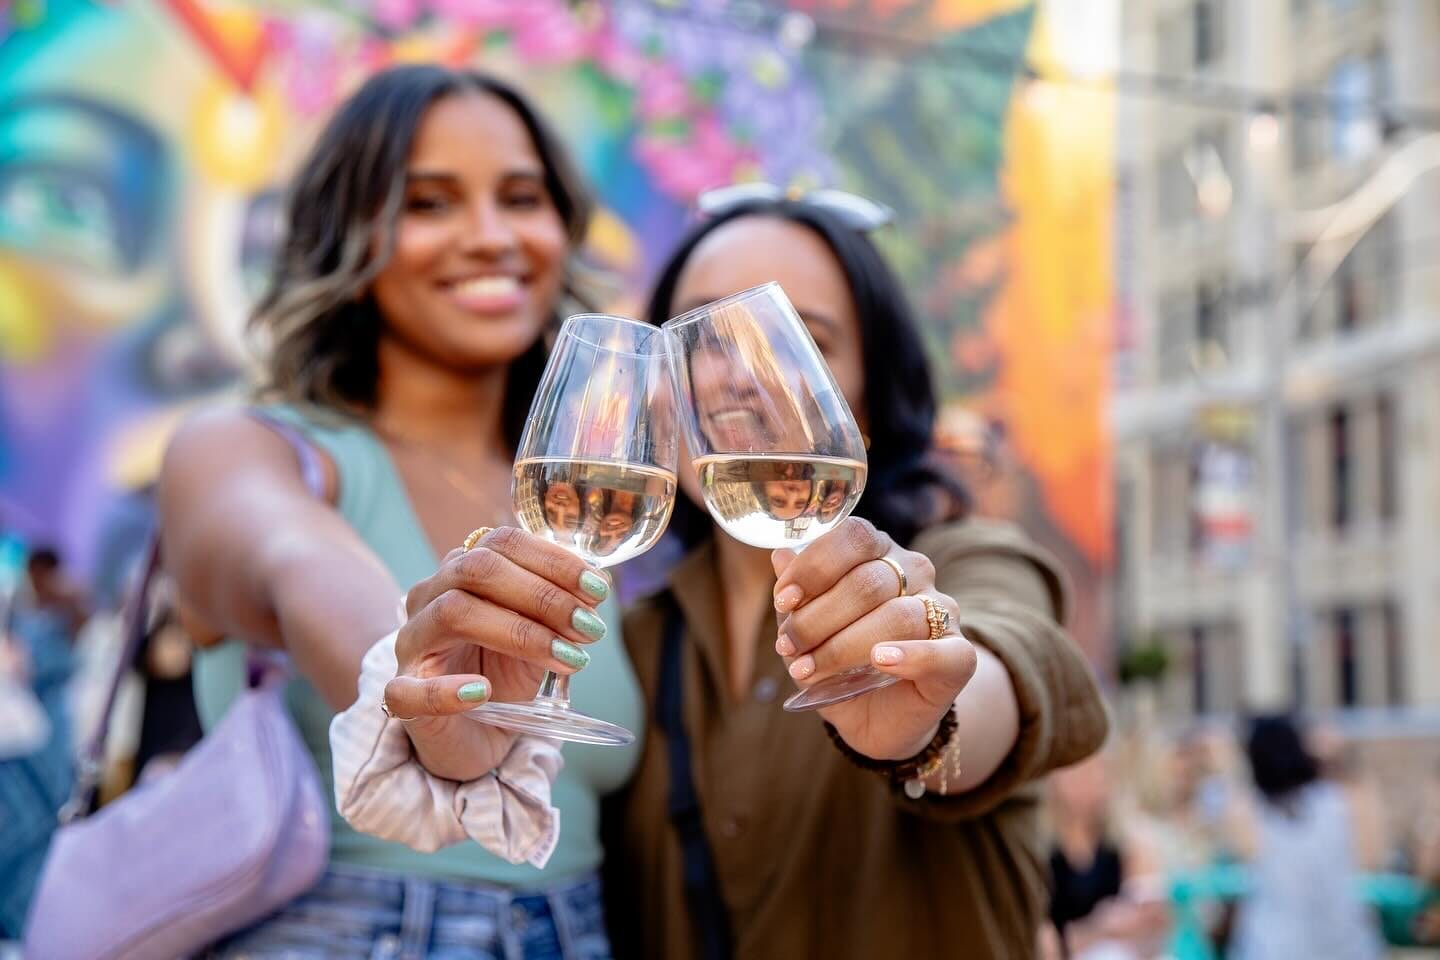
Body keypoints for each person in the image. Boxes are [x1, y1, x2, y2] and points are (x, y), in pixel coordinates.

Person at [360, 194, 1109, 957]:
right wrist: (460, 733)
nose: (742, 377)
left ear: (868, 400)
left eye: (803, 340)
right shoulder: (636, 640)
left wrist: (924, 715)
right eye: (703, 342)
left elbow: (998, 673)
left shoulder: (966, 562)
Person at [158, 65, 641, 958]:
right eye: (429, 203)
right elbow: (295, 559)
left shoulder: (601, 499)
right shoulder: (249, 450)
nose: (491, 237)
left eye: (521, 197)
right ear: (349, 234)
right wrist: (418, 684)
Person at [1228, 714, 1383, 960]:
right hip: (1344, 941)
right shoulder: (1339, 801)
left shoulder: (1248, 811)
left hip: (1274, 946)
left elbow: (1245, 849)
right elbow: (1373, 858)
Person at [1046, 752, 1169, 959]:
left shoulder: (1126, 846)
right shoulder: (1041, 855)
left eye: (1098, 769)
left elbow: (1152, 931)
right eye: (1079, 771)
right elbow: (1041, 948)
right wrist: (1099, 928)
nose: (1090, 779)